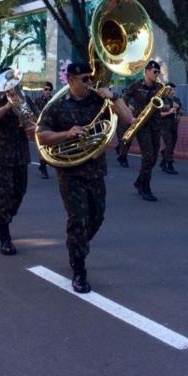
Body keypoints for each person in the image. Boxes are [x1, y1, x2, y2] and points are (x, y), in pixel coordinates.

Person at [36, 61, 133, 293]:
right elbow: (42, 136)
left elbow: (129, 119)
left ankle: (76, 245)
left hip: (95, 169)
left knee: (97, 217)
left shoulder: (99, 100)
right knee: (78, 220)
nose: (90, 82)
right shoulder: (57, 106)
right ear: (70, 80)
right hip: (70, 172)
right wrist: (67, 133)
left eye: (91, 78)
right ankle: (79, 269)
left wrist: (114, 97)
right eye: (85, 79)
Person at [0, 79, 36, 256]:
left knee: (20, 191)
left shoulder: (25, 98)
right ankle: (4, 234)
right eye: (9, 84)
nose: (13, 87)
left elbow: (38, 120)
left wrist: (34, 126)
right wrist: (6, 107)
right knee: (5, 192)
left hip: (20, 153)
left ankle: (3, 218)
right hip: (0, 154)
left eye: (15, 83)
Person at [123, 60, 164, 202]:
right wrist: (130, 115)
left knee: (153, 158)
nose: (157, 74)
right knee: (147, 156)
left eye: (158, 72)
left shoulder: (160, 87)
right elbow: (124, 101)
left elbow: (162, 105)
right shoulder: (135, 85)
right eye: (155, 72)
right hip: (141, 125)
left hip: (156, 124)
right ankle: (145, 188)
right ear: (146, 71)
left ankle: (139, 181)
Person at [158, 83, 181, 175]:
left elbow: (180, 111)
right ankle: (169, 165)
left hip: (174, 125)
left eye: (174, 89)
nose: (172, 91)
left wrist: (179, 114)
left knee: (172, 145)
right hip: (164, 126)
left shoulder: (176, 100)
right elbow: (158, 114)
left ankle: (163, 161)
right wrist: (169, 112)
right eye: (171, 89)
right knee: (169, 144)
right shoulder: (161, 100)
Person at [33, 82, 54, 180]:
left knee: (49, 149)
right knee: (41, 149)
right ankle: (44, 170)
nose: (47, 91)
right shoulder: (38, 100)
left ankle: (42, 165)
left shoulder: (54, 100)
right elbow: (33, 112)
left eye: (49, 89)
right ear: (43, 90)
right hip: (40, 127)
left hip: (51, 128)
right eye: (46, 89)